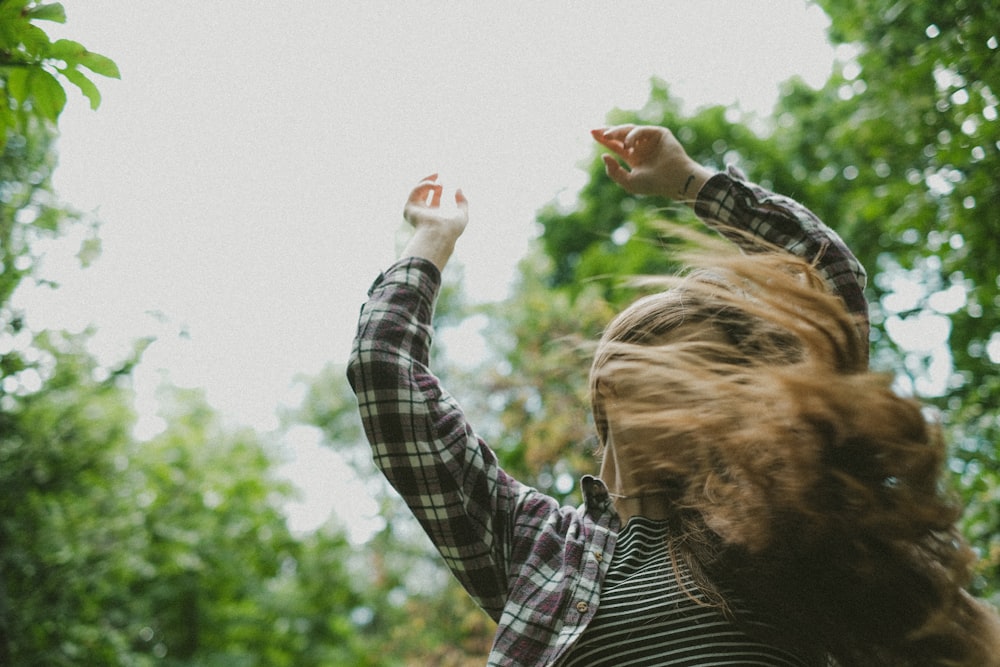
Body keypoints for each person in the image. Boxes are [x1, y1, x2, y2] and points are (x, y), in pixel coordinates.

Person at [347, 124, 1000, 666]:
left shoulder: (779, 506)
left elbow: (827, 284)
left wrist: (694, 183)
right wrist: (433, 236)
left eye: (689, 364)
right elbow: (385, 376)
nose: (655, 375)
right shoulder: (536, 547)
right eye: (638, 354)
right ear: (607, 397)